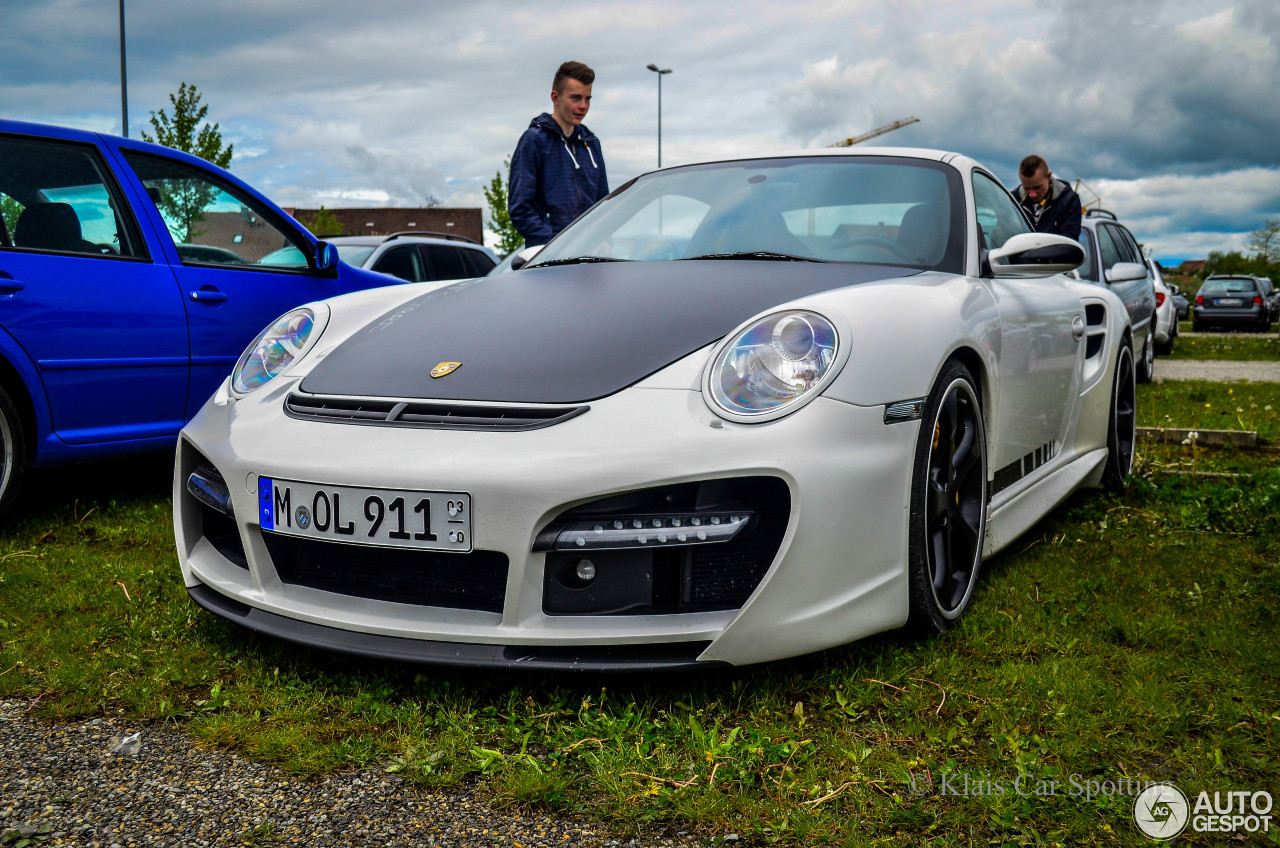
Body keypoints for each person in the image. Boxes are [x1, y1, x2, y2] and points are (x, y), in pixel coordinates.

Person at [508, 61, 609, 247]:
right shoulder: (534, 141)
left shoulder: (592, 144)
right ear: (556, 98)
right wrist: (554, 246)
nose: (583, 106)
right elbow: (520, 208)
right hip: (548, 262)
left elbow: (604, 205)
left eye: (588, 99)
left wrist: (602, 241)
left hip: (588, 258)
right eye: (576, 98)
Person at [1013, 155, 1082, 241]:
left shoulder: (1069, 200)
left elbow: (1069, 242)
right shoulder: (1013, 201)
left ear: (1049, 176)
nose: (1032, 194)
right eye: (1026, 188)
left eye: (1037, 187)